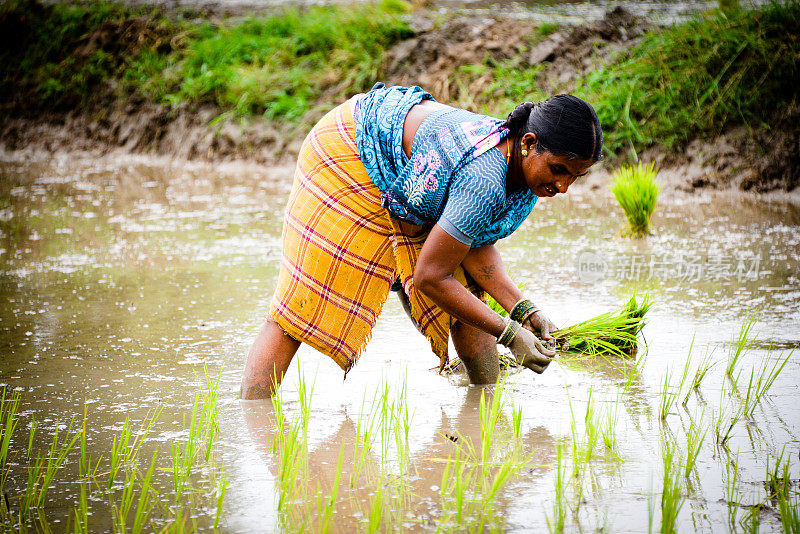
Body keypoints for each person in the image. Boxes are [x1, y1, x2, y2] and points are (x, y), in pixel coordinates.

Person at [241, 83, 603, 399]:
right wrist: (510, 334)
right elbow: (431, 277)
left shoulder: (520, 171)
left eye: (576, 176)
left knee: (468, 297)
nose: (563, 187)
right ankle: (254, 422)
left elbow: (473, 242)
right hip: (350, 148)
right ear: (528, 143)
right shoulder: (485, 178)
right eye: (559, 170)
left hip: (410, 176)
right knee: (299, 309)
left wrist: (524, 310)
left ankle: (484, 410)